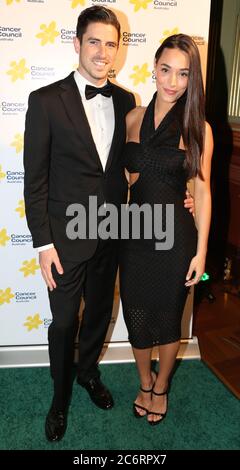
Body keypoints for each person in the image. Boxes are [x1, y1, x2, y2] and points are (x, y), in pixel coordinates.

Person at [24, 6, 193, 441]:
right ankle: (59, 400)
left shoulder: (126, 102)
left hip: (115, 233)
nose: (102, 52)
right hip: (64, 239)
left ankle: (87, 376)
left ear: (119, 52)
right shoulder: (44, 101)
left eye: (110, 44)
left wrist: (182, 193)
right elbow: (36, 179)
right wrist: (43, 244)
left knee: (99, 314)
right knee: (64, 324)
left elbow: (134, 168)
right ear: (77, 44)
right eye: (93, 41)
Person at [119, 34, 213, 425]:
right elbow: (125, 177)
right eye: (166, 70)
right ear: (153, 68)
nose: (173, 81)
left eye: (184, 74)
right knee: (136, 316)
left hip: (176, 239)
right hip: (135, 234)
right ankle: (144, 381)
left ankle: (161, 388)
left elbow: (204, 192)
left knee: (169, 318)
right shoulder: (133, 117)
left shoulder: (198, 128)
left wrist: (202, 252)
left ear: (193, 79)